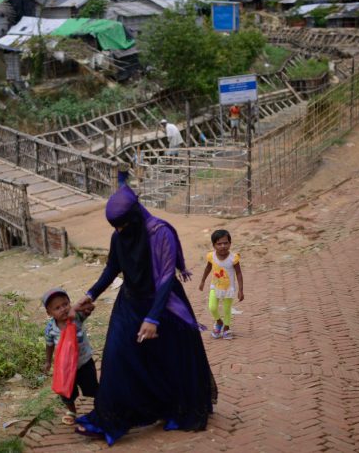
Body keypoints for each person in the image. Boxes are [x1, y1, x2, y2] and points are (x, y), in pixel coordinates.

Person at [71, 178, 217, 445]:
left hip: (163, 304)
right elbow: (112, 269)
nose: (120, 230)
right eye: (116, 227)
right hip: (129, 302)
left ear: (134, 216)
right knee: (117, 357)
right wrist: (89, 295)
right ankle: (108, 419)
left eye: (123, 224)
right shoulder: (120, 235)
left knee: (170, 360)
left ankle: (175, 409)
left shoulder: (161, 233)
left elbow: (165, 280)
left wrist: (153, 318)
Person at [43, 288, 99, 426]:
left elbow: (91, 306)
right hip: (65, 367)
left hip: (84, 362)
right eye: (57, 308)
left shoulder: (77, 317)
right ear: (49, 313)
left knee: (92, 388)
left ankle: (101, 408)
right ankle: (71, 411)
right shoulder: (50, 328)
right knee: (66, 392)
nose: (63, 309)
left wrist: (77, 308)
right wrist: (48, 362)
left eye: (65, 304)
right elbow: (49, 345)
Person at [198, 229, 244, 340]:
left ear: (230, 243)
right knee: (212, 307)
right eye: (219, 244)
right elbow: (208, 268)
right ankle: (219, 322)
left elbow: (238, 273)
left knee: (227, 309)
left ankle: (227, 328)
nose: (223, 246)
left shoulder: (233, 258)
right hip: (215, 286)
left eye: (226, 243)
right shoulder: (211, 256)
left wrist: (240, 290)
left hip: (229, 289)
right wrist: (203, 281)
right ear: (214, 245)